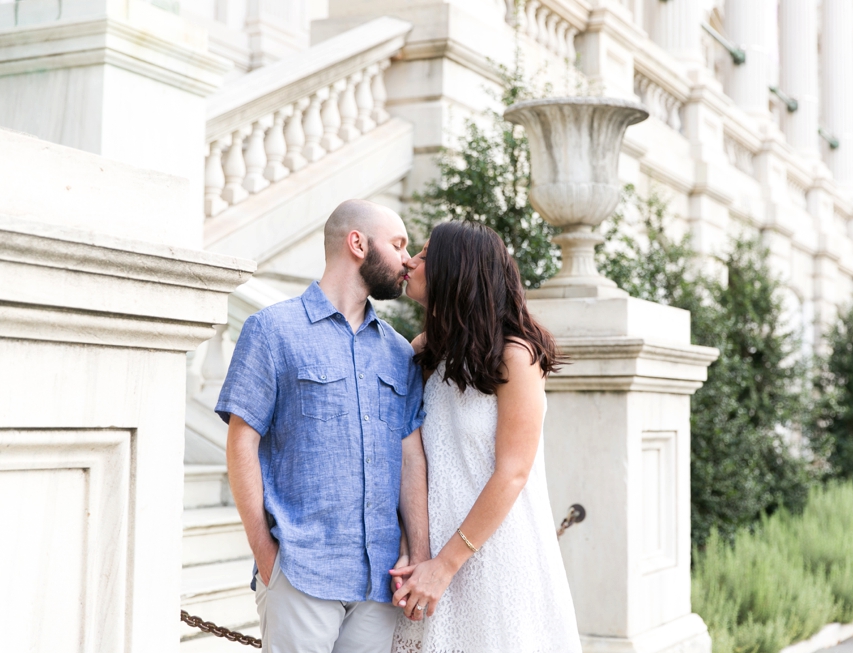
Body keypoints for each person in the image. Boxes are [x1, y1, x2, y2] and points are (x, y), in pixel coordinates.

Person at [216, 199, 430, 653]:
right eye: (397, 244)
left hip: (380, 580)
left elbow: (411, 458)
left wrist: (422, 554)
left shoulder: (398, 352)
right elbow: (241, 444)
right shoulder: (272, 331)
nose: (408, 260)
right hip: (300, 570)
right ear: (357, 244)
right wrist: (266, 556)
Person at [390, 221, 582, 652]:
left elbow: (513, 472)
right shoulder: (426, 350)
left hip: (493, 555)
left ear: (453, 271)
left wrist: (445, 565)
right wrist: (416, 550)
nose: (411, 262)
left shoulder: (515, 357)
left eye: (424, 256)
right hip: (432, 553)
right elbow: (410, 455)